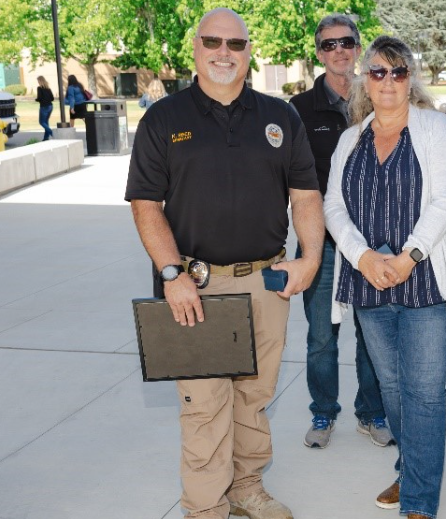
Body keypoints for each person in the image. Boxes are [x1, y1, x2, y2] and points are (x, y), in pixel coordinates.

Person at [125, 8, 324, 519]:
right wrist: (172, 275)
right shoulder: (164, 119)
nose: (223, 53)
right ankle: (206, 507)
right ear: (196, 47)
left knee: (253, 399)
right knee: (204, 406)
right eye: (213, 41)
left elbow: (304, 196)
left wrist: (310, 259)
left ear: (248, 52)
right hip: (196, 288)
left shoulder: (281, 117)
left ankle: (247, 487)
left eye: (235, 44)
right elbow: (145, 205)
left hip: (267, 283)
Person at [324, 35, 446, 519]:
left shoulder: (437, 128)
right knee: (391, 388)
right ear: (363, 81)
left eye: (397, 72)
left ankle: (419, 499)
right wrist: (364, 257)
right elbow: (333, 206)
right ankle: (411, 467)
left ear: (410, 79)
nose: (387, 81)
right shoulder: (351, 138)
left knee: (425, 392)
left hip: (430, 280)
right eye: (377, 72)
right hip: (369, 281)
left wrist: (408, 257)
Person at [289, 14, 393, 450]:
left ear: (357, 47)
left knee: (372, 335)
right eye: (329, 45)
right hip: (323, 242)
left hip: (372, 241)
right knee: (320, 338)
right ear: (318, 52)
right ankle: (322, 412)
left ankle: (371, 413)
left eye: (346, 42)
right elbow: (287, 180)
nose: (339, 51)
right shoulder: (297, 110)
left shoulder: (378, 97)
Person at [35, 76, 54, 141]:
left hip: (44, 107)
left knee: (42, 122)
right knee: (46, 122)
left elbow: (39, 98)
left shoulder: (39, 88)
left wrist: (36, 100)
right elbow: (52, 98)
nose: (38, 82)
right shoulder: (48, 88)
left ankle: (52, 132)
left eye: (38, 81)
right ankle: (46, 137)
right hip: (50, 106)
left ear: (40, 81)